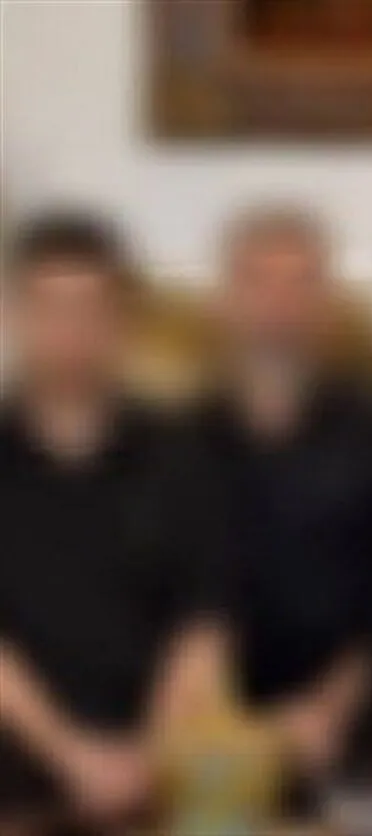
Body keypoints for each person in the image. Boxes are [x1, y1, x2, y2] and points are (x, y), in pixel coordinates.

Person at [0, 213, 227, 832]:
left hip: (155, 776)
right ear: (16, 319)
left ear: (122, 322)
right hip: (14, 778)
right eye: (50, 310)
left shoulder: (181, 456)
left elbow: (201, 629)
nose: (71, 333)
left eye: (91, 310)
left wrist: (150, 757)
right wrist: (72, 756)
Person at [192, 204, 372, 806]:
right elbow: (170, 613)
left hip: (350, 725)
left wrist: (328, 711)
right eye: (258, 283)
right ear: (224, 303)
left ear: (328, 307)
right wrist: (236, 734)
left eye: (300, 284)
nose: (279, 310)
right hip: (212, 732)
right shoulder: (178, 444)